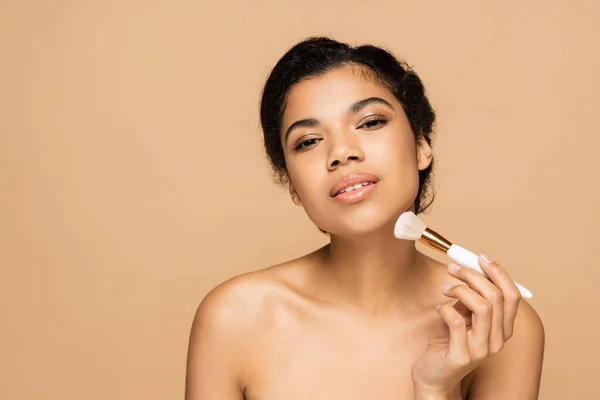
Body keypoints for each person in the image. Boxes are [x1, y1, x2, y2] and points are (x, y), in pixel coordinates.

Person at [184, 36, 545, 400]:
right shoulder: (235, 318)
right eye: (308, 141)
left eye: (370, 122)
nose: (341, 152)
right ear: (292, 185)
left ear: (421, 146)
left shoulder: (494, 325)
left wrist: (435, 387)